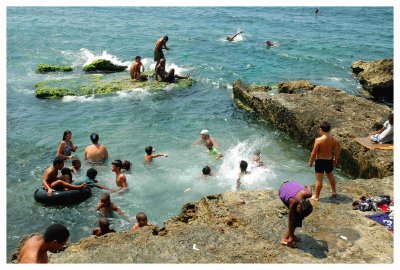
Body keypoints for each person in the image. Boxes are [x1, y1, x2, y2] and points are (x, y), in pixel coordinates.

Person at [308, 121, 339, 201]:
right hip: (329, 160)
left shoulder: (318, 140)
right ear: (330, 130)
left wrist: (311, 161)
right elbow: (336, 151)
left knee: (319, 180)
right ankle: (334, 191)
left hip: (320, 161)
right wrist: (335, 159)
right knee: (330, 175)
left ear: (321, 129)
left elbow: (314, 153)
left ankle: (316, 196)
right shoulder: (334, 140)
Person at [279, 181, 313, 248]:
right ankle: (286, 239)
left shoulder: (308, 194)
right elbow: (290, 219)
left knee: (297, 217)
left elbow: (309, 186)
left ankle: (290, 236)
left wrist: (304, 188)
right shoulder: (293, 202)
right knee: (295, 217)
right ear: (298, 206)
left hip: (291, 184)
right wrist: (291, 236)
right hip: (282, 189)